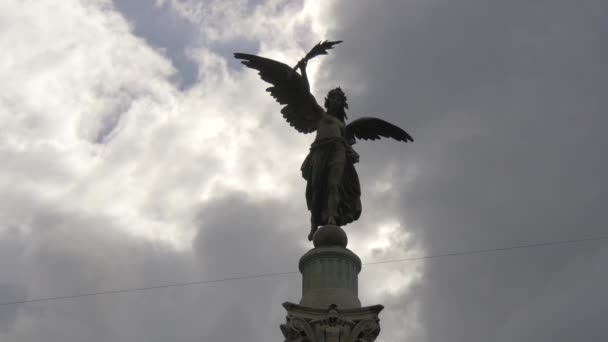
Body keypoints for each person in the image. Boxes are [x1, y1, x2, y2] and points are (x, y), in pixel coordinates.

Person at [300, 80, 362, 240]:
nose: (335, 101)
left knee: (335, 184)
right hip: (320, 150)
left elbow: (347, 141)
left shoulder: (342, 124)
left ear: (342, 104)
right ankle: (314, 224)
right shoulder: (321, 115)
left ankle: (332, 216)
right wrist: (303, 71)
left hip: (338, 150)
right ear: (328, 101)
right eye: (333, 98)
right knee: (317, 188)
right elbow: (306, 95)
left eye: (339, 100)